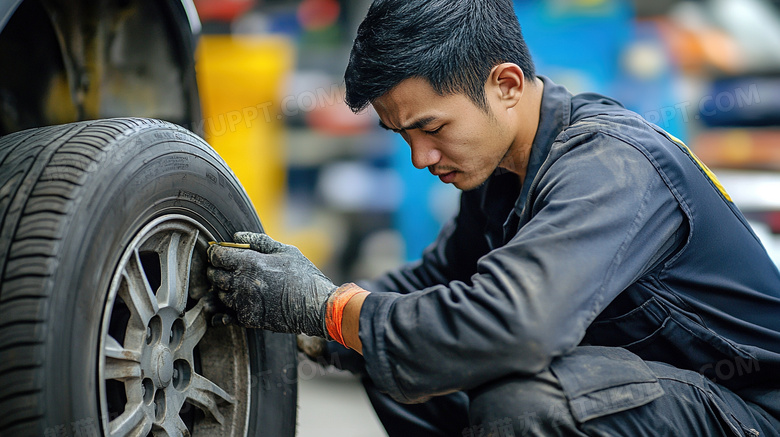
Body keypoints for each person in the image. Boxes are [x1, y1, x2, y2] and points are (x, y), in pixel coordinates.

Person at [206, 0, 780, 435]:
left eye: (431, 128)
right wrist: (307, 316)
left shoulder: (610, 164)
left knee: (529, 403)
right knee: (402, 357)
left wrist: (327, 310)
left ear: (505, 85)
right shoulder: (503, 173)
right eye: (402, 135)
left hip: (748, 411)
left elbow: (515, 326)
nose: (420, 158)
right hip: (660, 394)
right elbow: (431, 286)